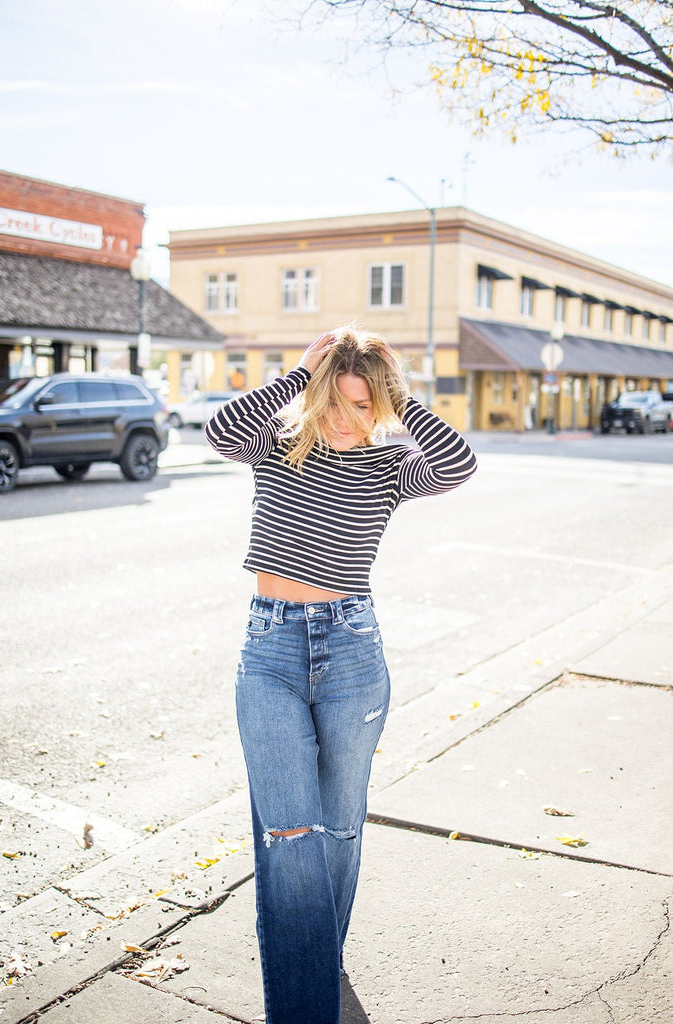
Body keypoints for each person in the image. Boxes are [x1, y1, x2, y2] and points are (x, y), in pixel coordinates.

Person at [204, 327, 477, 1024]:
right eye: (334, 402)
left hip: (352, 650)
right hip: (268, 650)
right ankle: (304, 1006)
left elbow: (458, 465)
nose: (343, 420)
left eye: (361, 406)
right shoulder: (276, 446)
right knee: (289, 835)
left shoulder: (390, 466)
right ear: (316, 394)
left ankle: (316, 954)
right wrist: (298, 373)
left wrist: (396, 396)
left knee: (340, 827)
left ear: (377, 403)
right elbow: (219, 429)